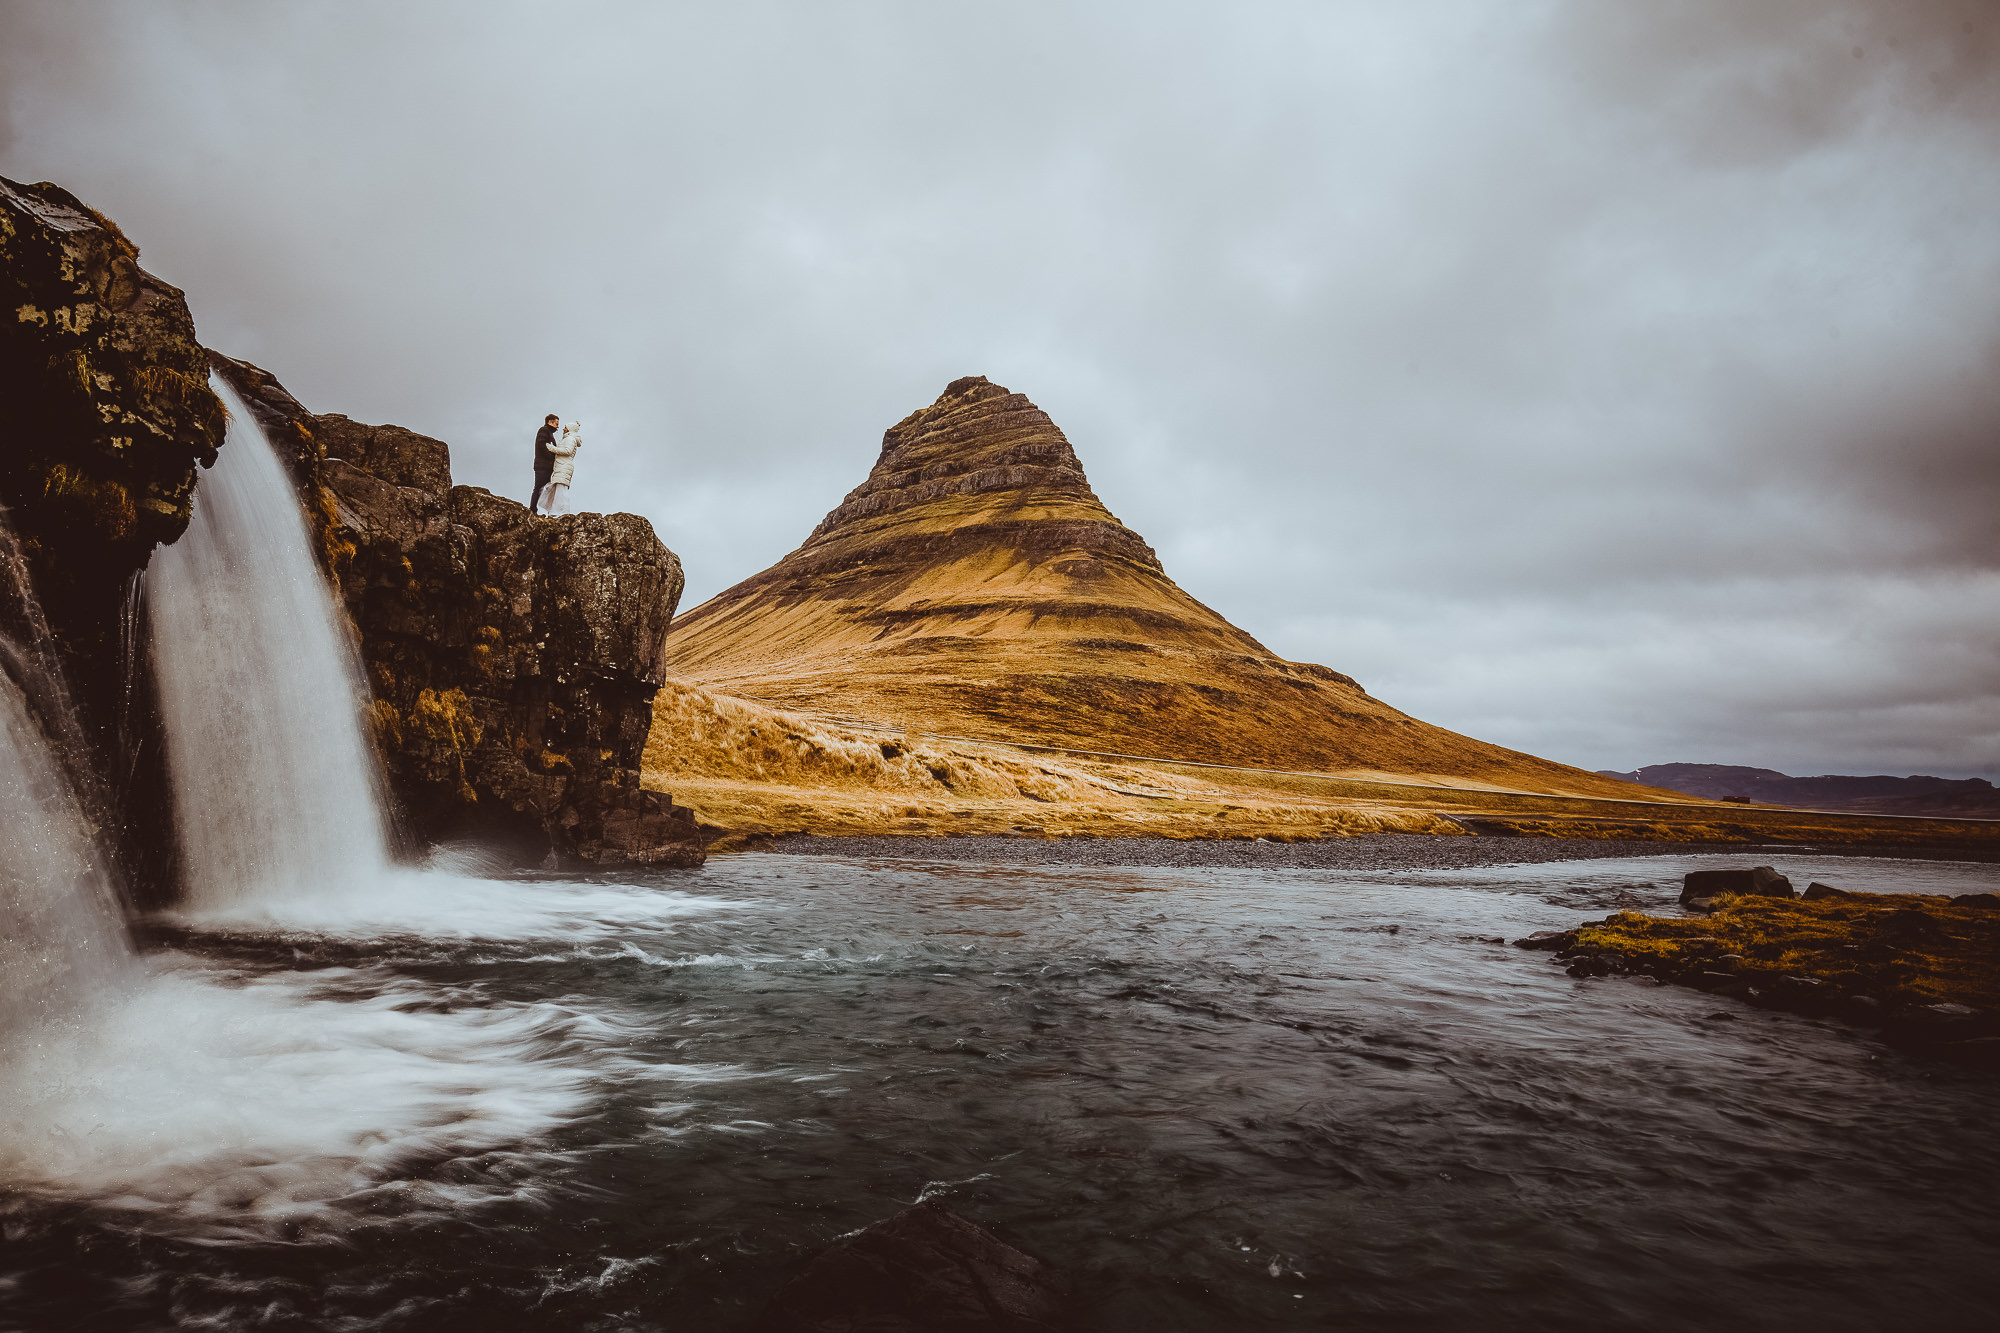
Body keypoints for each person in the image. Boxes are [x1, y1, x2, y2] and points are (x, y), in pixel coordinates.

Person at [540, 419, 582, 514]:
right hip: (561, 466)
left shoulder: (570, 439)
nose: (563, 429)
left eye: (565, 428)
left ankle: (561, 512)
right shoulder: (568, 439)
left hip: (564, 466)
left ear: (569, 429)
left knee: (561, 490)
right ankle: (555, 511)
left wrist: (552, 448)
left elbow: (567, 451)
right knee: (557, 489)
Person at [529, 413, 559, 512]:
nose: (557, 426)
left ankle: (545, 510)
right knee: (538, 487)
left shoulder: (549, 433)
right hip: (542, 466)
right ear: (549, 422)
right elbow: (541, 445)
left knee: (545, 488)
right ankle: (533, 509)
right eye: (556, 423)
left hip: (546, 466)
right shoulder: (544, 430)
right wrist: (551, 458)